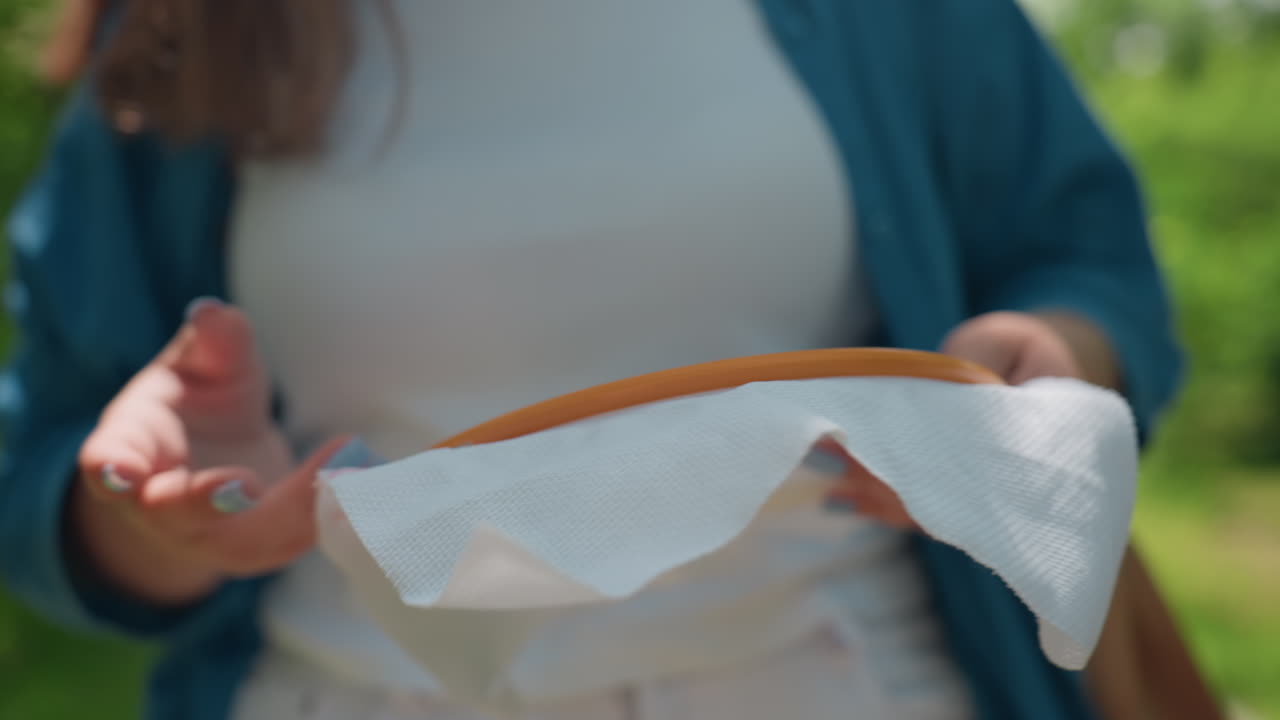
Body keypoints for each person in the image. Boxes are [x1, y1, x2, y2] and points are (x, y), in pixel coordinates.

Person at [1, 1, 1184, 719]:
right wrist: (156, 521)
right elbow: (45, 463)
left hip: (846, 681)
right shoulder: (184, 31)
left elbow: (1081, 265)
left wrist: (1050, 353)